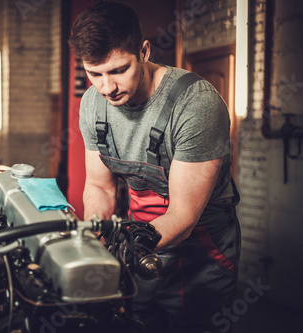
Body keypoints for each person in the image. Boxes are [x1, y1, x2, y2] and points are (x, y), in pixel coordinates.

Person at [69, 2, 241, 333]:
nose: (107, 87)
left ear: (144, 51)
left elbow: (183, 217)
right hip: (138, 242)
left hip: (201, 253)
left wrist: (121, 244)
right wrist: (95, 231)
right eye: (95, 74)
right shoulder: (93, 104)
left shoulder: (195, 104)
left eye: (119, 70)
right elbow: (99, 187)